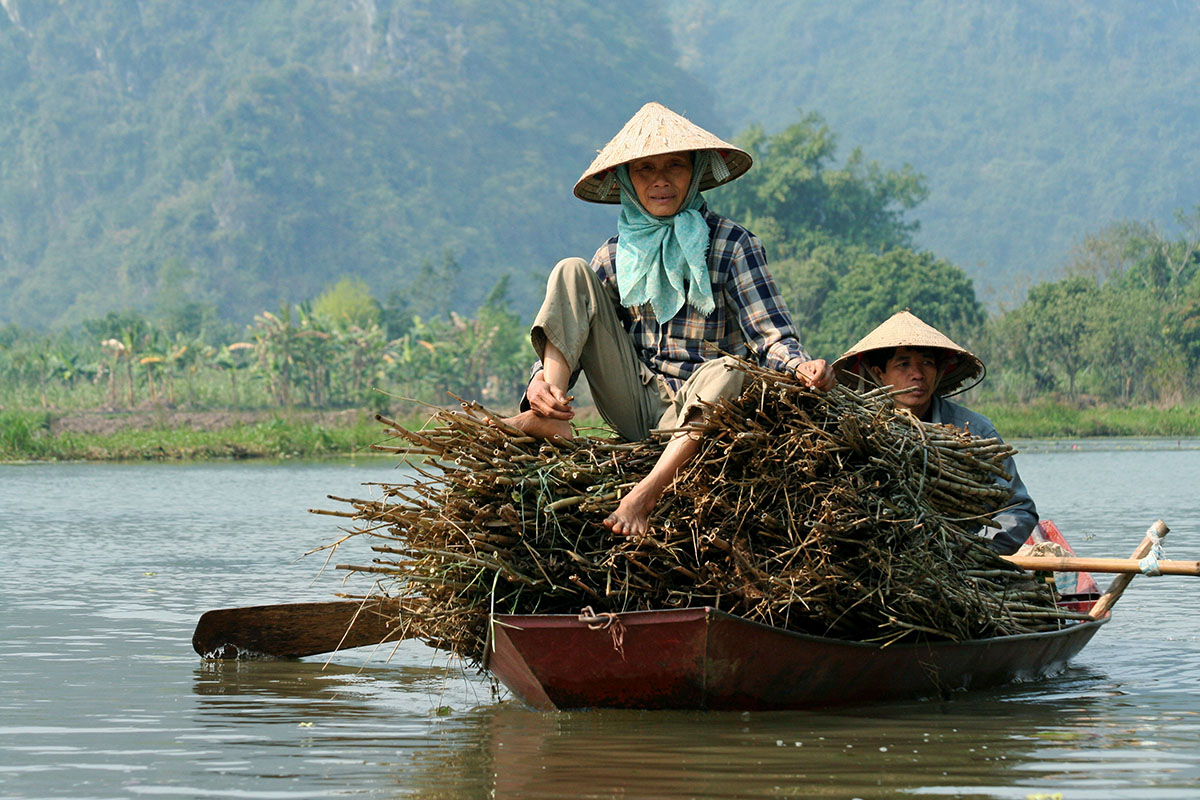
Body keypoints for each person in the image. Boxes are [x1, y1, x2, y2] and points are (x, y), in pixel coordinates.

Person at [504, 102, 832, 537]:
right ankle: (551, 413)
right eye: (644, 169)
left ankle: (645, 493)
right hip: (639, 402)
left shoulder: (733, 245)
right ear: (626, 180)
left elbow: (770, 336)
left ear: (694, 172)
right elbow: (576, 329)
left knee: (731, 369)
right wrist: (539, 381)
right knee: (570, 270)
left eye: (674, 166)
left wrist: (800, 366)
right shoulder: (614, 256)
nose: (660, 180)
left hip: (704, 410)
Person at [831, 310, 1037, 554]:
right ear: (878, 373)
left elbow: (1018, 509)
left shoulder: (975, 432)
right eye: (903, 364)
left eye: (927, 363)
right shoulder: (859, 433)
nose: (917, 374)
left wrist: (972, 550)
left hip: (965, 560)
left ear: (939, 371)